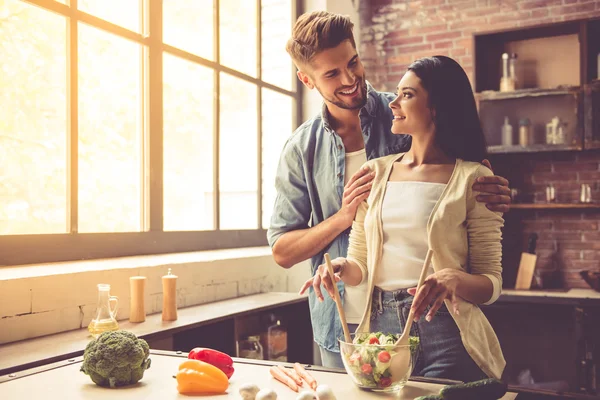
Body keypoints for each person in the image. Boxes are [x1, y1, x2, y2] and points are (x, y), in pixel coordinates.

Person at [267, 11, 511, 369]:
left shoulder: (405, 114)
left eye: (353, 63)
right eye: (332, 74)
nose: (350, 79)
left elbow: (460, 183)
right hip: (342, 321)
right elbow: (282, 250)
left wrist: (499, 193)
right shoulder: (301, 148)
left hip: (434, 317)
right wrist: (342, 218)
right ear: (307, 79)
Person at [310, 55, 505, 381]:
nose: (394, 103)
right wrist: (343, 268)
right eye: (397, 94)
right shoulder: (374, 173)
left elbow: (491, 284)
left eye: (407, 95)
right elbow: (361, 266)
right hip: (382, 331)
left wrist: (453, 279)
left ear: (437, 107)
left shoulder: (474, 178)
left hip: (447, 328)